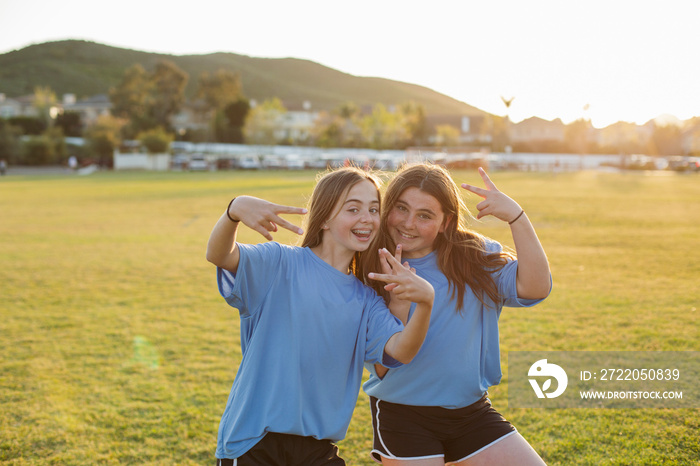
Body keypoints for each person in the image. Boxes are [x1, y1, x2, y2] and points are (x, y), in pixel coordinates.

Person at [206, 166, 435, 465]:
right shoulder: (279, 264)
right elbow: (219, 255)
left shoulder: (366, 299)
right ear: (325, 217)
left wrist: (425, 303)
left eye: (373, 209)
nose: (367, 218)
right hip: (254, 442)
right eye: (353, 209)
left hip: (317, 449)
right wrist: (233, 211)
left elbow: (401, 351)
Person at [360, 164, 552, 466]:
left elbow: (536, 287)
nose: (408, 223)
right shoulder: (370, 265)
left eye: (425, 215)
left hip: (471, 412)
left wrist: (516, 216)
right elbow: (383, 368)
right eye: (401, 208)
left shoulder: (473, 255)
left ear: (446, 222)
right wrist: (398, 302)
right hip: (404, 413)